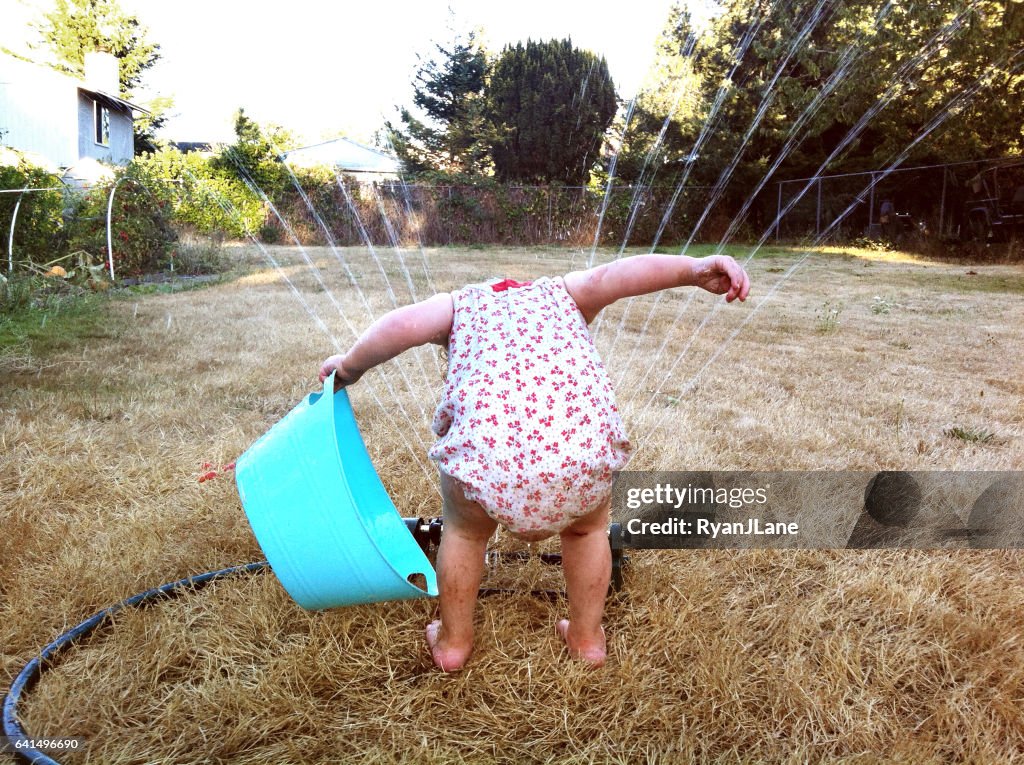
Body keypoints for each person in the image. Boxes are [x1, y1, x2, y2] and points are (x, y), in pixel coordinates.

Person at [319, 254, 750, 671]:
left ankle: (454, 643)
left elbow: (402, 325)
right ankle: (585, 638)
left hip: (486, 458)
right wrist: (693, 270)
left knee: (465, 534)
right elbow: (620, 275)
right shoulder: (564, 293)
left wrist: (350, 367)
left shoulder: (460, 304)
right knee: (587, 531)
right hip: (579, 455)